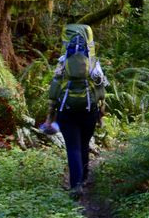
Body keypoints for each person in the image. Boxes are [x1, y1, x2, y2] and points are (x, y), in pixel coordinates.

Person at [43, 30, 108, 198]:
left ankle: (76, 185)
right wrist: (101, 113)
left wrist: (50, 115)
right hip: (89, 110)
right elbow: (101, 89)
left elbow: (55, 87)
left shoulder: (63, 62)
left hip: (67, 110)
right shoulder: (93, 63)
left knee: (73, 147)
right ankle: (84, 177)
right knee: (84, 143)